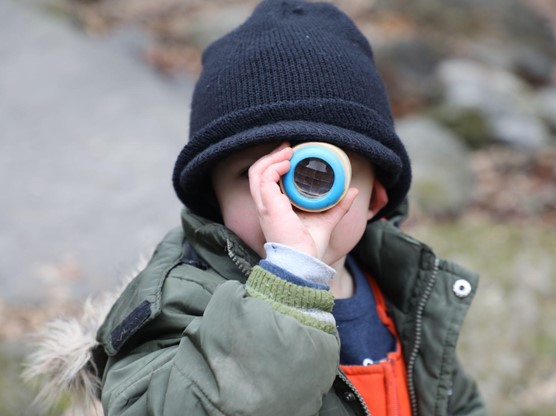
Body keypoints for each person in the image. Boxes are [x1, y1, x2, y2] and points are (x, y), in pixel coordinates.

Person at [27, 0, 486, 414]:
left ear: (374, 200)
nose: (281, 202)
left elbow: (452, 400)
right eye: (255, 176)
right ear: (215, 201)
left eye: (315, 174)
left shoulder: (401, 289)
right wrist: (288, 289)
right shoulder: (182, 302)